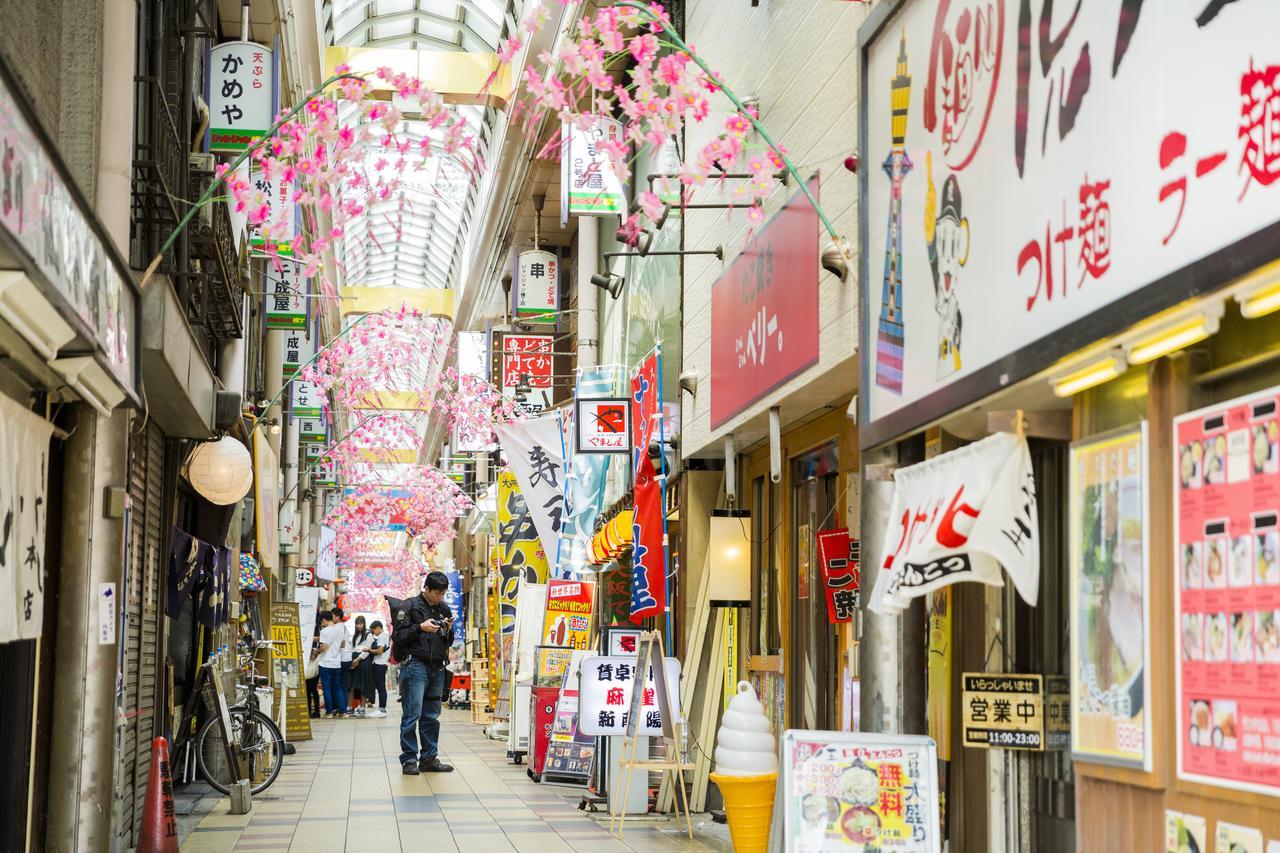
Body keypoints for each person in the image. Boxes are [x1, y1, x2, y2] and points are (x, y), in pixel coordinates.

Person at [391, 572, 456, 775]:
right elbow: (399, 636)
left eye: (443, 593)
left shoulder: (442, 609)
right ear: (426, 589)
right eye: (437, 593)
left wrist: (448, 629)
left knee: (431, 715)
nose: (440, 597)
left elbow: (449, 641)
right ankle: (409, 759)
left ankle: (429, 758)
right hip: (415, 666)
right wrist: (420, 627)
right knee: (413, 713)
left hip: (437, 667)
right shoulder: (408, 606)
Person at [315, 610, 348, 718]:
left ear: (324, 620)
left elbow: (324, 647)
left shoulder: (325, 631)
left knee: (327, 688)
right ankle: (343, 711)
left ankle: (329, 712)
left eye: (321, 622)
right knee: (337, 687)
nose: (321, 624)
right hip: (336, 662)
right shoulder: (340, 630)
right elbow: (343, 645)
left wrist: (317, 651)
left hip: (325, 663)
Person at [349, 615, 375, 717]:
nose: (359, 626)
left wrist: (358, 659)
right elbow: (352, 648)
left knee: (364, 685)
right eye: (357, 623)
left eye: (361, 623)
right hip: (354, 661)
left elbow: (368, 650)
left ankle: (363, 708)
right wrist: (352, 660)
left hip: (364, 661)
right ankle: (352, 707)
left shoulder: (368, 634)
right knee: (354, 685)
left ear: (364, 624)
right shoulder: (355, 636)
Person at [366, 620, 391, 717]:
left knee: (381, 687)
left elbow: (379, 651)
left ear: (378, 628)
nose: (374, 632)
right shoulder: (383, 636)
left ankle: (382, 710)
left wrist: (369, 650)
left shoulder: (382, 636)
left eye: (374, 630)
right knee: (380, 687)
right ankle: (381, 709)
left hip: (380, 664)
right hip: (380, 664)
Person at [334, 606, 354, 714]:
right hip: (348, 658)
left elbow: (341, 643)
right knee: (344, 685)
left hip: (341, 659)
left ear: (337, 617)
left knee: (338, 685)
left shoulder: (337, 627)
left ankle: (340, 707)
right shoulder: (344, 627)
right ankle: (344, 707)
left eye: (332, 616)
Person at [305, 623, 322, 718]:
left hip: (314, 664)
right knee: (308, 689)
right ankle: (309, 711)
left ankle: (316, 711)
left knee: (312, 689)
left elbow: (322, 644)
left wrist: (315, 651)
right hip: (307, 663)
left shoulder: (318, 631)